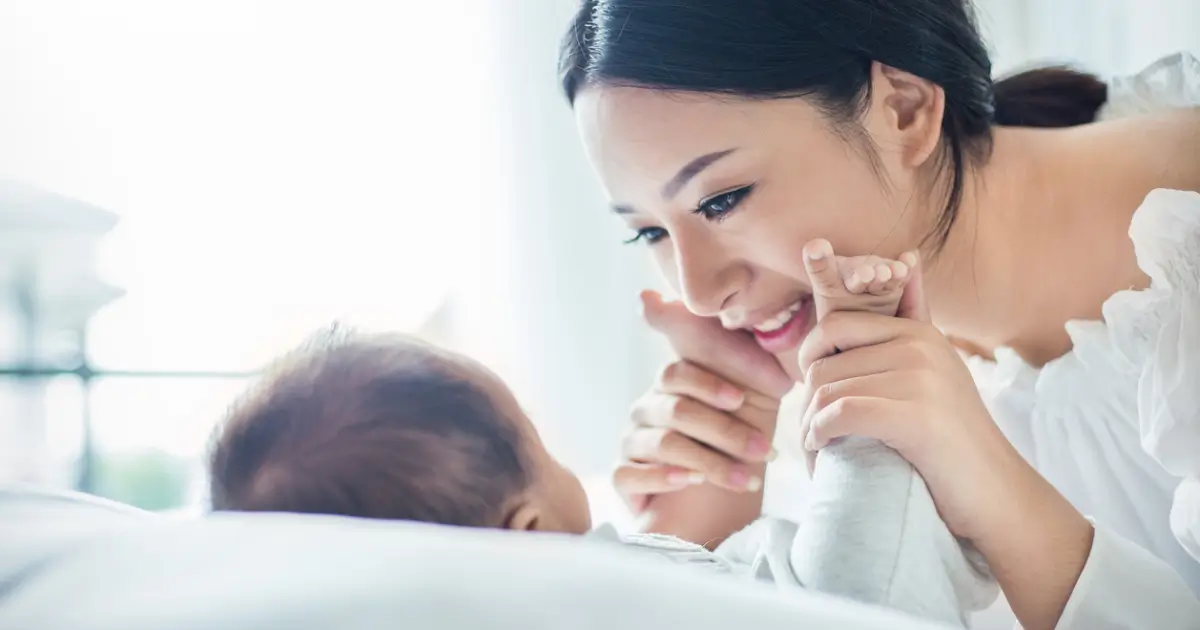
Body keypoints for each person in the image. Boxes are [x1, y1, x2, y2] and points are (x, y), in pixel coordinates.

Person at [557, 1, 1200, 628]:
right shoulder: (867, 381)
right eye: (649, 233)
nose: (698, 294)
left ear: (904, 109)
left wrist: (996, 489)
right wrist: (710, 533)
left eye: (723, 199)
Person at [205, 254, 997, 628]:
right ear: (527, 535)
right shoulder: (587, 584)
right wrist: (856, 380)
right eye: (539, 442)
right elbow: (850, 599)